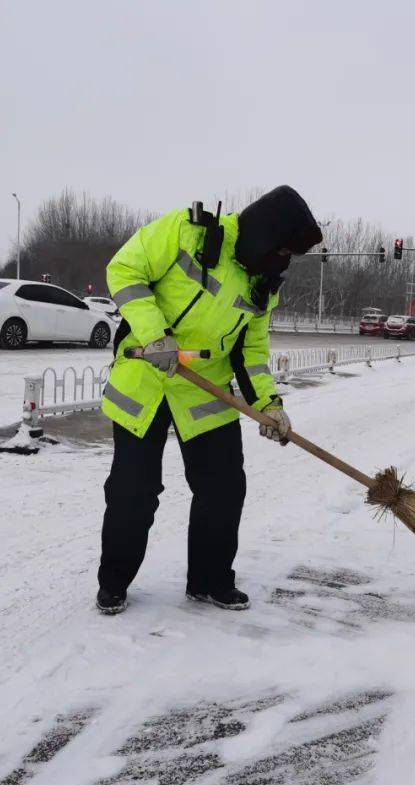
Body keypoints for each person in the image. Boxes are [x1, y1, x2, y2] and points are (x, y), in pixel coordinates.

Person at [96, 186, 322, 615]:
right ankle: (113, 583)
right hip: (147, 378)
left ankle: (209, 580)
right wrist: (153, 333)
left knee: (224, 487)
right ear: (266, 236)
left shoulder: (263, 283)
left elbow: (250, 351)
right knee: (134, 492)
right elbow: (124, 269)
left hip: (204, 389)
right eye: (284, 250)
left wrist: (268, 404)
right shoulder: (188, 230)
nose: (284, 261)